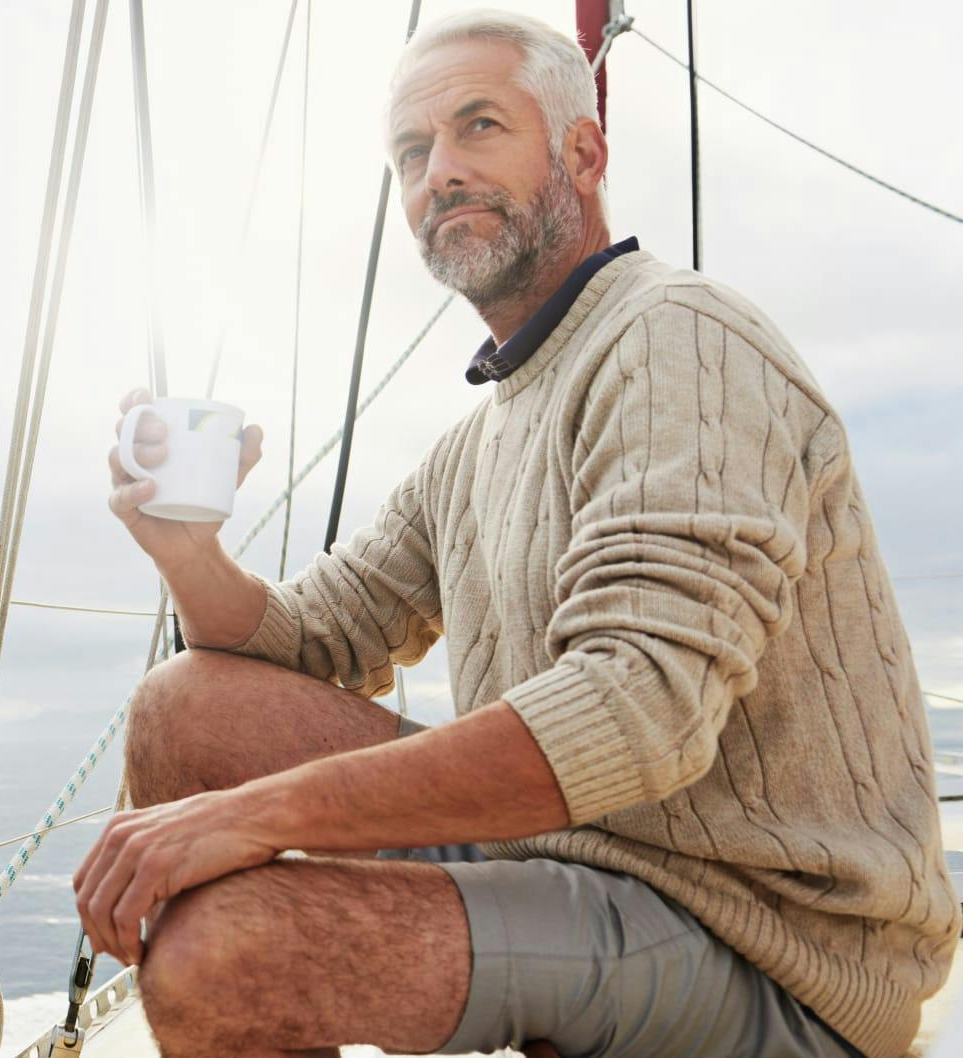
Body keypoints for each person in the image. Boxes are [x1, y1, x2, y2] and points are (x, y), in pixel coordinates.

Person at [72, 9, 958, 1058]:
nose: (438, 171)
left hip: (769, 934)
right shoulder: (477, 438)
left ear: (583, 152)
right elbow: (309, 637)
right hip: (576, 849)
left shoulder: (679, 338)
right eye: (413, 151)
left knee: (222, 950)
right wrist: (187, 553)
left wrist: (253, 817)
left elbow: (637, 708)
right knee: (186, 704)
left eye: (478, 126)